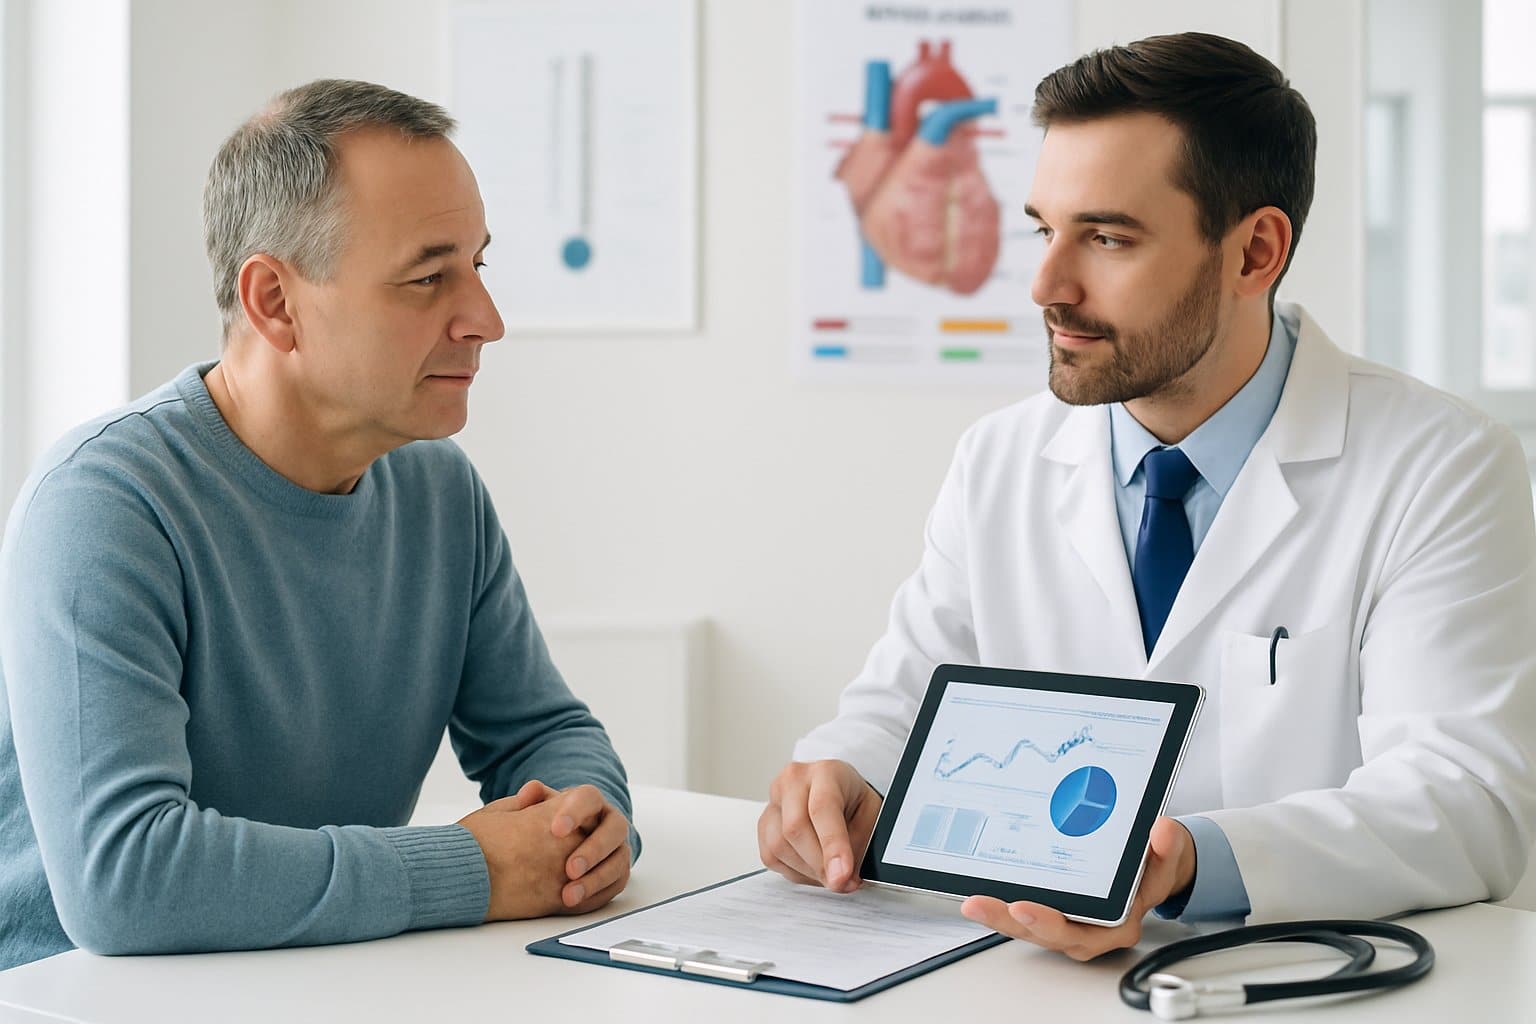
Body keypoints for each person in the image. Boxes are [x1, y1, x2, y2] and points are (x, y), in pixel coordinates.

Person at [759, 32, 1536, 960]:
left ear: (1255, 251)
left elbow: (1468, 805)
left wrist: (1187, 861)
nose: (1047, 285)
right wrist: (841, 773)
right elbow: (905, 702)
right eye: (1045, 230)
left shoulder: (1440, 466)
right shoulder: (1001, 458)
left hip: (1289, 982)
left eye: (1107, 237)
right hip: (1020, 982)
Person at [0, 80, 637, 972]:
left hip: (314, 976)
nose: (486, 321)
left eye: (478, 267)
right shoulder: (102, 505)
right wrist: (472, 869)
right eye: (428, 278)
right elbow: (124, 878)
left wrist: (587, 822)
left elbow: (540, 733)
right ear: (274, 302)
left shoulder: (438, 490)